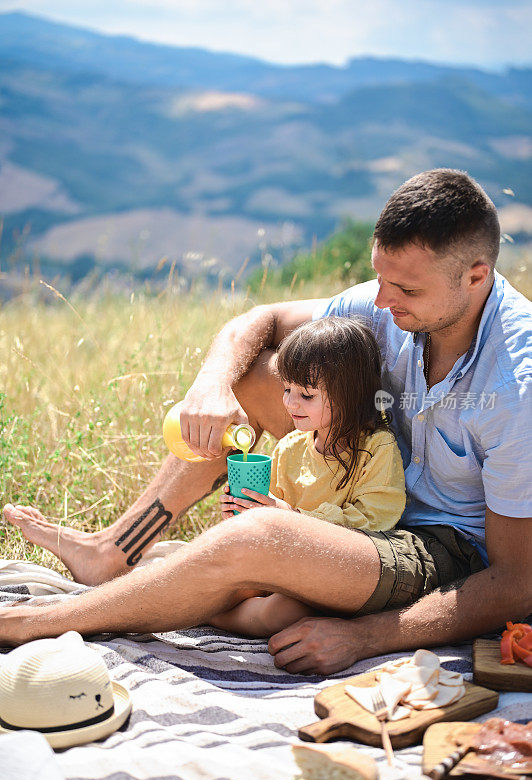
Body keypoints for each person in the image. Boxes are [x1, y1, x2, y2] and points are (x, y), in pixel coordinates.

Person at [2, 169, 531, 676]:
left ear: (476, 276)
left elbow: (515, 583)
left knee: (259, 536)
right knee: (256, 375)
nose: (381, 301)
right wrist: (210, 387)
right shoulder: (388, 303)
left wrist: (367, 636)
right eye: (379, 277)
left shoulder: (516, 386)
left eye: (407, 291)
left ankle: (38, 625)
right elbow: (264, 320)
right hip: (360, 486)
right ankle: (111, 550)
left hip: (442, 549)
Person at [209, 316, 406, 636]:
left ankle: (215, 618)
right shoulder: (290, 448)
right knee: (226, 575)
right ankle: (209, 601)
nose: (289, 402)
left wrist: (293, 518)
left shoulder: (376, 448)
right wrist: (243, 511)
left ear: (350, 394)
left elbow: (375, 520)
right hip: (282, 562)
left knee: (283, 611)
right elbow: (272, 509)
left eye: (307, 394)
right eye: (287, 389)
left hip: (333, 568)